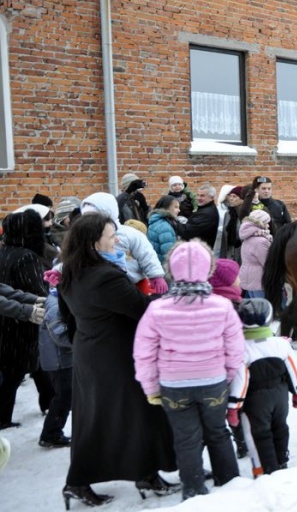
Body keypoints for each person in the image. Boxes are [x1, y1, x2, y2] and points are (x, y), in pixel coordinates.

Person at [58, 213, 177, 507]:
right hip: (114, 355)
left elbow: (67, 314)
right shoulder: (104, 276)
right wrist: (178, 296)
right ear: (93, 243)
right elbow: (141, 308)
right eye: (112, 237)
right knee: (134, 413)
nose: (118, 241)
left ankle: (143, 471)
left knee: (103, 417)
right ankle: (82, 481)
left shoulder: (73, 270)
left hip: (92, 351)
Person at [133, 240, 244, 500]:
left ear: (171, 270)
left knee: (186, 439)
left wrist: (151, 387)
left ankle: (193, 491)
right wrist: (226, 376)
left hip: (174, 386)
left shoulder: (157, 309)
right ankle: (231, 486)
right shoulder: (222, 306)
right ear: (208, 270)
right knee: (218, 432)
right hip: (214, 381)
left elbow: (144, 353)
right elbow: (235, 349)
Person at [228, 299, 297, 474]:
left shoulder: (242, 350)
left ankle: (266, 469)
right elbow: (293, 369)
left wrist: (233, 407)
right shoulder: (281, 344)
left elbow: (240, 380)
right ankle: (282, 460)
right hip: (280, 395)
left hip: (254, 400)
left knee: (259, 434)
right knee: (280, 427)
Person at [0, 210, 50, 430]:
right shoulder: (26, 256)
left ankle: (49, 400)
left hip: (9, 319)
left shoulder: (3, 252)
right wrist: (39, 302)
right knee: (17, 369)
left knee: (30, 364)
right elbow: (33, 285)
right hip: (22, 321)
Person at [80, 192, 169, 295]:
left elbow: (146, 253)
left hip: (134, 282)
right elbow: (73, 255)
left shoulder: (128, 234)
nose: (91, 221)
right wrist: (61, 270)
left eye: (95, 216)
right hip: (100, 283)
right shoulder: (85, 235)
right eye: (86, 217)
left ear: (108, 213)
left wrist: (156, 275)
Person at [37, 268, 73, 448]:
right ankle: (51, 433)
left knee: (65, 395)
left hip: (60, 359)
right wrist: (79, 340)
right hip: (59, 360)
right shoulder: (55, 304)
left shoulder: (57, 299)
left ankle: (52, 432)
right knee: (64, 396)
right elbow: (59, 334)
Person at [238, 210, 272, 299]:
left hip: (248, 277)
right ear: (261, 223)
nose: (268, 226)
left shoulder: (247, 237)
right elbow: (268, 263)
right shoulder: (261, 241)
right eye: (267, 223)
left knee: (253, 308)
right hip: (259, 280)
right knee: (262, 308)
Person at [180, 184, 221, 249]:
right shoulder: (204, 209)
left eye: (202, 196)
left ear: (211, 198)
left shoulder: (206, 214)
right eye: (198, 195)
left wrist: (174, 222)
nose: (198, 198)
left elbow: (187, 231)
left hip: (199, 251)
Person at [147, 195, 182, 264]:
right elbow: (169, 254)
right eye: (176, 207)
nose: (179, 210)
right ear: (167, 207)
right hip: (165, 269)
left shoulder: (156, 222)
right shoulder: (165, 227)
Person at [219, 185, 245, 263]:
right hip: (229, 253)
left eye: (234, 196)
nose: (231, 199)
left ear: (242, 199)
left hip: (242, 255)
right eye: (230, 196)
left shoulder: (246, 214)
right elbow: (224, 238)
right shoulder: (228, 214)